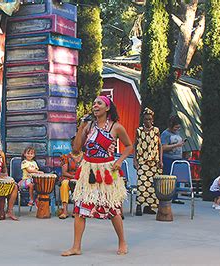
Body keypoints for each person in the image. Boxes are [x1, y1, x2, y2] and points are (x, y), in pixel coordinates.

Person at [61, 96, 132, 256]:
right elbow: (77, 149)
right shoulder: (89, 126)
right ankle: (76, 247)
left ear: (107, 108)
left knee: (113, 208)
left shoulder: (116, 127)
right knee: (80, 208)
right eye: (94, 103)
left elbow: (129, 146)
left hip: (107, 170)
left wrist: (120, 161)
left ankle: (122, 241)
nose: (95, 105)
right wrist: (81, 127)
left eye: (99, 103)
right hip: (88, 169)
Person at [133, 108, 162, 216]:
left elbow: (159, 146)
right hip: (142, 161)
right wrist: (135, 160)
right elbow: (135, 145)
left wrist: (161, 160)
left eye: (149, 119)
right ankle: (139, 206)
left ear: (152, 120)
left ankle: (149, 207)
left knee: (152, 186)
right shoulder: (139, 131)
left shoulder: (156, 130)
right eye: (145, 119)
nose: (147, 121)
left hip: (154, 161)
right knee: (141, 183)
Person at [161, 115, 186, 204]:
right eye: (176, 127)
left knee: (176, 179)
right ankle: (166, 196)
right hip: (168, 159)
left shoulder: (177, 133)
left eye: (178, 127)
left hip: (177, 159)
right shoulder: (165, 134)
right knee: (168, 178)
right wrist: (176, 145)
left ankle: (175, 196)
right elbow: (163, 147)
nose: (177, 129)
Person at [58, 136, 83, 219]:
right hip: (69, 177)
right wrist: (73, 176)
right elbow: (64, 172)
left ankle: (75, 210)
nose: (76, 147)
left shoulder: (86, 158)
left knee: (79, 184)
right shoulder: (66, 157)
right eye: (74, 145)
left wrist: (79, 178)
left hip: (81, 179)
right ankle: (65, 210)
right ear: (71, 146)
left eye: (78, 145)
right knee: (64, 184)